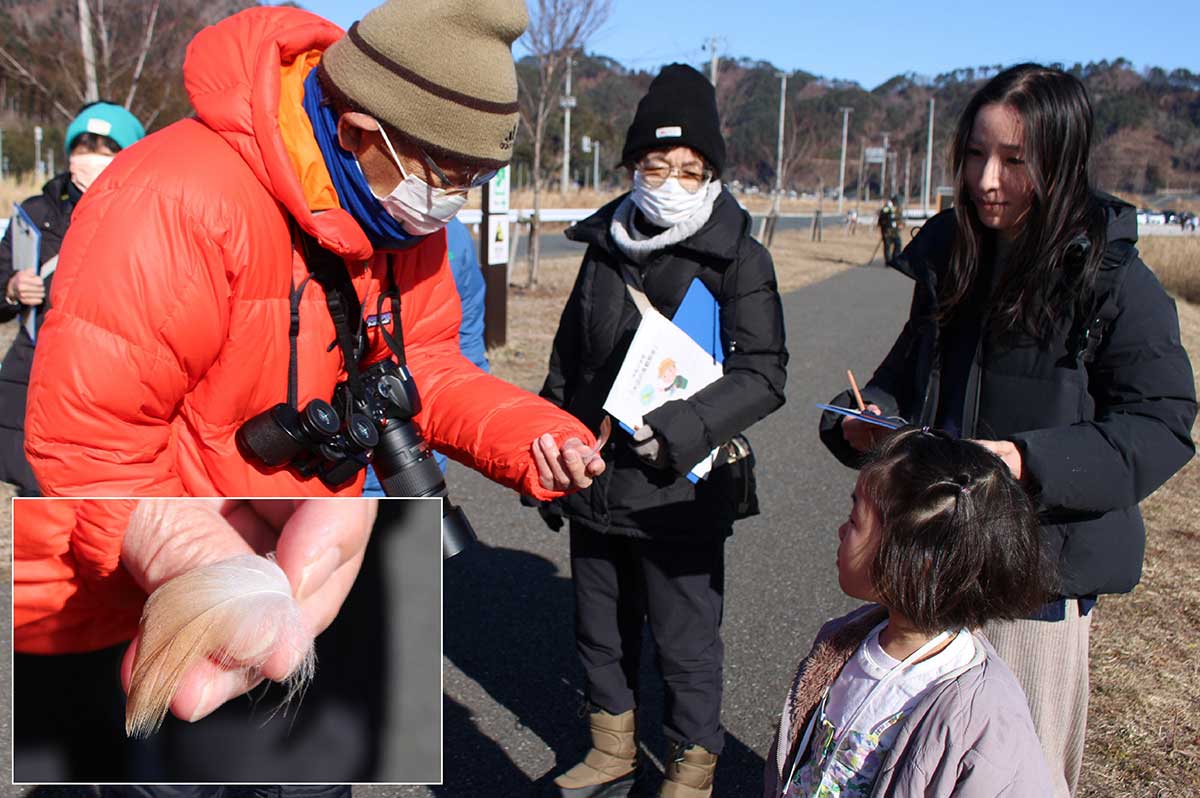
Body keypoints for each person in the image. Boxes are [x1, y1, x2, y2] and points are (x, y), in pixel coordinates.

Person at [15, 0, 603, 782]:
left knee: (314, 771)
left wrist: (532, 433)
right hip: (164, 599)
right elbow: (88, 442)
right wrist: (200, 565)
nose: (454, 200)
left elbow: (424, 361)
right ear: (362, 130)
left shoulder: (402, 224)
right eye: (447, 176)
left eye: (479, 178)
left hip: (315, 560)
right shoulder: (173, 196)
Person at [819, 64, 1196, 798]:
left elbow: (1162, 423)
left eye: (1015, 161)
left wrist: (1027, 461)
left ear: (1059, 161)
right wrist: (860, 419)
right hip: (927, 565)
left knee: (1011, 774)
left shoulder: (1112, 279)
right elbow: (901, 376)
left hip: (1035, 582)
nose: (987, 179)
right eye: (974, 155)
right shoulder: (953, 256)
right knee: (906, 764)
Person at [538, 64, 788, 798]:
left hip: (681, 485)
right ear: (632, 166)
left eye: (690, 168)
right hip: (595, 481)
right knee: (599, 631)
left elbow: (765, 373)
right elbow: (566, 364)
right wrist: (543, 454)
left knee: (686, 643)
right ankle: (611, 747)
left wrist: (679, 429)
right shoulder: (604, 247)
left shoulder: (739, 254)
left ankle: (693, 766)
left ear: (711, 172)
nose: (671, 181)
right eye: (656, 165)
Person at [764, 429, 1054, 797]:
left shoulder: (983, 713)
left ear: (916, 562)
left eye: (855, 521)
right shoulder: (843, 644)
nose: (841, 530)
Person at [0, 102, 145, 496]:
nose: (90, 160)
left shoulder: (145, 214)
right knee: (36, 493)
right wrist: (12, 290)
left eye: (105, 149)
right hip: (33, 375)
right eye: (82, 148)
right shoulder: (34, 213)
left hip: (107, 384)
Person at [362, 215, 488, 495]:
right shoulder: (322, 223)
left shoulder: (450, 233)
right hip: (335, 462)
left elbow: (467, 351)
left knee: (418, 535)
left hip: (418, 454)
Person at [876, 197, 902, 264]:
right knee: (887, 247)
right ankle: (888, 261)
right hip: (887, 232)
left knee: (898, 244)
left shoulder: (897, 210)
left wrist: (901, 225)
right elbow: (881, 221)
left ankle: (895, 259)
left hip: (895, 231)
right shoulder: (885, 210)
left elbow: (900, 219)